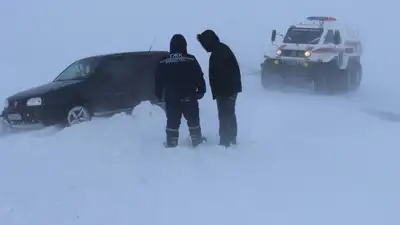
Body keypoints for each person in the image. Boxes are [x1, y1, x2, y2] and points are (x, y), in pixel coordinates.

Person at [155, 34, 206, 148]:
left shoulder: (163, 61)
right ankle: (197, 142)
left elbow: (158, 80)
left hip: (172, 97)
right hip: (189, 95)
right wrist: (201, 90)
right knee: (193, 121)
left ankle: (171, 143)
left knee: (172, 121)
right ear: (184, 45)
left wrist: (158, 95)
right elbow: (199, 75)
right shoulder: (191, 59)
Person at [196, 29, 242, 147]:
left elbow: (222, 74)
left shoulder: (219, 52)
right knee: (229, 114)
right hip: (228, 89)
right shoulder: (220, 49)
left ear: (208, 41)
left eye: (203, 44)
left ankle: (225, 142)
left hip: (227, 90)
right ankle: (231, 138)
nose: (203, 47)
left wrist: (222, 93)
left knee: (224, 115)